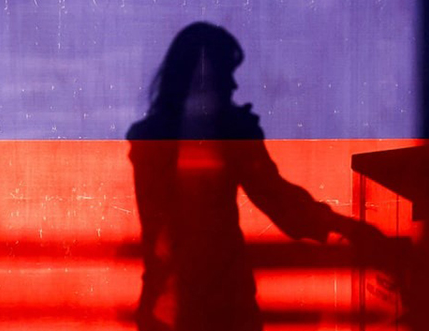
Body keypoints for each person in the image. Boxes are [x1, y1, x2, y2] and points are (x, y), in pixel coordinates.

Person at [127, 22, 387, 331]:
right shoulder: (227, 133)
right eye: (228, 73)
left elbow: (278, 201)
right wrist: (347, 228)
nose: (234, 86)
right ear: (207, 74)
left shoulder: (155, 138)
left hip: (188, 304)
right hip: (211, 302)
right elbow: (279, 200)